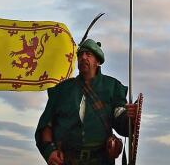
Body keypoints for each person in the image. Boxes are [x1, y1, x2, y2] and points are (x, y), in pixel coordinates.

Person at [35, 37, 140, 165]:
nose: (83, 57)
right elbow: (46, 125)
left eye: (88, 54)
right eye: (80, 55)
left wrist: (131, 117)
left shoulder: (112, 87)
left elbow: (121, 120)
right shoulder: (61, 90)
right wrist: (49, 151)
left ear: (97, 62)